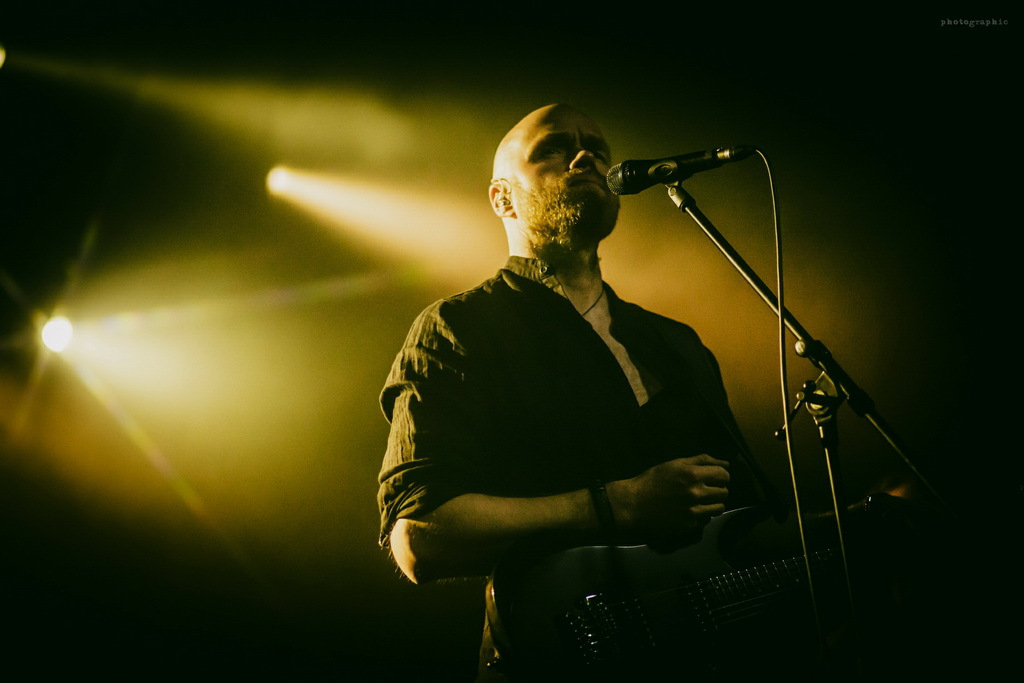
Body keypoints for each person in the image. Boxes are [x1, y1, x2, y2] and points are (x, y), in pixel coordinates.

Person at [376, 103, 787, 681]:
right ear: (502, 198)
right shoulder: (457, 328)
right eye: (552, 149)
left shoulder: (675, 343)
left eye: (597, 148)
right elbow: (420, 539)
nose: (585, 157)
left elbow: (746, 521)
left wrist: (859, 527)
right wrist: (617, 505)